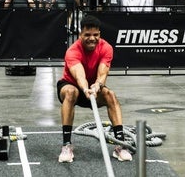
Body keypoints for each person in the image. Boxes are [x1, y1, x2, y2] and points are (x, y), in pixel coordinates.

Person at [56, 15, 133, 163]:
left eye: (95, 35)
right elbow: (79, 76)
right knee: (72, 92)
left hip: (93, 86)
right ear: (80, 35)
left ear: (100, 34)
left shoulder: (106, 48)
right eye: (87, 35)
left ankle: (121, 146)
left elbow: (103, 73)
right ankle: (66, 146)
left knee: (111, 95)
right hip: (72, 86)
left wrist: (97, 86)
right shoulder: (72, 51)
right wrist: (86, 89)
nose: (92, 38)